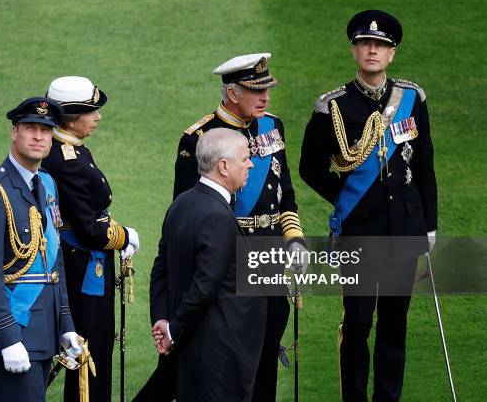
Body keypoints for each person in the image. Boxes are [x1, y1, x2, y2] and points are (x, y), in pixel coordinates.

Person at [136, 53, 307, 401]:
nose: (265, 98)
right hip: (226, 267)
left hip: (269, 261)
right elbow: (187, 218)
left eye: (267, 90)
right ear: (232, 93)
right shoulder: (198, 138)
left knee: (265, 358)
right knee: (217, 364)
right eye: (256, 91)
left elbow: (284, 193)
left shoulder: (273, 127)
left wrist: (294, 240)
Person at [299, 10, 437, 401]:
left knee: (395, 324)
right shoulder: (332, 107)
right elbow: (310, 168)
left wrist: (429, 226)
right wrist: (347, 197)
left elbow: (424, 162)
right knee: (358, 323)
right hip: (359, 233)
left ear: (391, 54)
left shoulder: (412, 98)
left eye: (380, 45)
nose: (372, 50)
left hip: (405, 231)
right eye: (365, 44)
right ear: (354, 51)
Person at [0, 97, 84, 402]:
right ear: (14, 132)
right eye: (30, 128)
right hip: (15, 332)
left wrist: (66, 324)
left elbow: (53, 263)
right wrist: (7, 338)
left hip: (45, 331)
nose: (39, 136)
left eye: (46, 131)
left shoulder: (47, 184)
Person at [41, 76, 140, 402]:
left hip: (83, 261)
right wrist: (124, 236)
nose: (97, 117)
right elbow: (88, 228)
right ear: (70, 117)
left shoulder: (70, 148)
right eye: (91, 112)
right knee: (90, 347)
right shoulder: (66, 159)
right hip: (82, 264)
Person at [150, 128, 266, 401]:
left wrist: (161, 320)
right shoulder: (216, 215)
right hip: (219, 351)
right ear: (223, 166)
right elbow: (205, 287)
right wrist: (173, 331)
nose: (250, 163)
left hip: (194, 349)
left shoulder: (182, 203)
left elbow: (160, 269)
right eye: (245, 158)